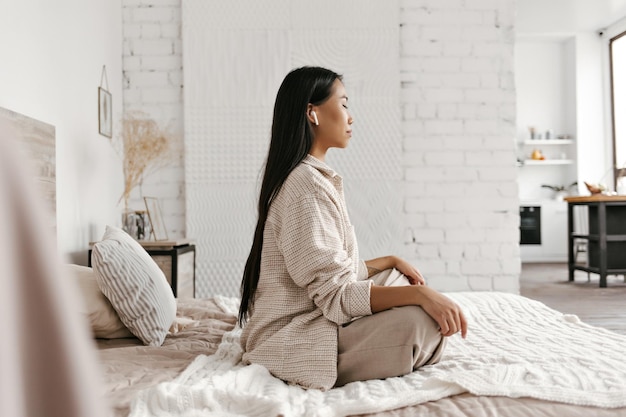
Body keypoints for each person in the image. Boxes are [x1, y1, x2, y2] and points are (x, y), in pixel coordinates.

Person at [238, 66, 468, 391]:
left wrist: (387, 261)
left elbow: (332, 277)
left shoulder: (311, 176)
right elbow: (335, 296)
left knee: (399, 282)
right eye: (343, 103)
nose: (350, 116)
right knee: (423, 321)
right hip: (298, 338)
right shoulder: (305, 186)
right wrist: (421, 294)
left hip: (316, 316)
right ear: (312, 113)